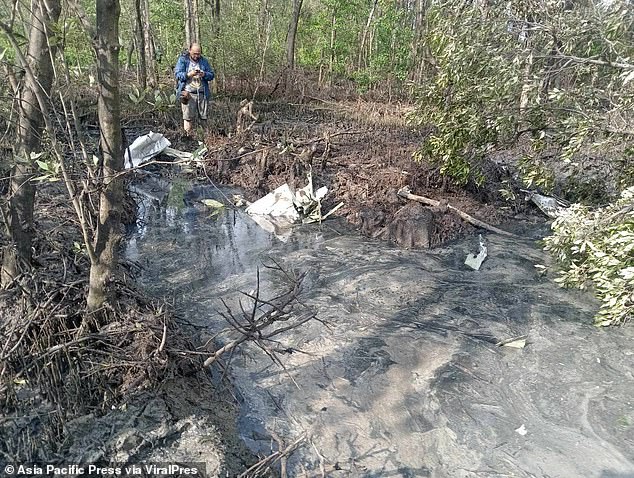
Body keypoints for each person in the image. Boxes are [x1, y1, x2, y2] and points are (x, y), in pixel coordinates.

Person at [174, 43, 215, 136]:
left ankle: (206, 138)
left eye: (198, 54)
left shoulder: (204, 61)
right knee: (187, 118)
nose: (197, 56)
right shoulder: (183, 60)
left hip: (202, 93)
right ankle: (188, 137)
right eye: (194, 54)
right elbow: (177, 74)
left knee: (204, 117)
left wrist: (204, 74)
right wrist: (188, 74)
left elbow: (211, 75)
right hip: (187, 93)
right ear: (190, 51)